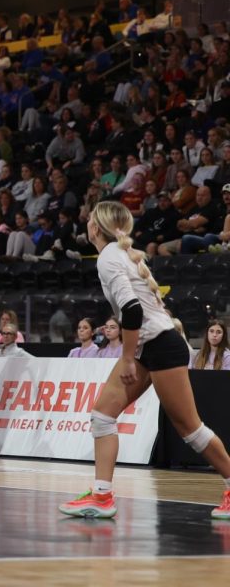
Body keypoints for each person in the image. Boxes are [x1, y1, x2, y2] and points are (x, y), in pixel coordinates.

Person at [60, 201, 230, 520]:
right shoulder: (122, 254)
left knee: (190, 429)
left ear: (95, 227)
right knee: (102, 416)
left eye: (90, 220)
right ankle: (101, 496)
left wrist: (126, 358)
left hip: (160, 346)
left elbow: (133, 311)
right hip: (150, 345)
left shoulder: (110, 257)